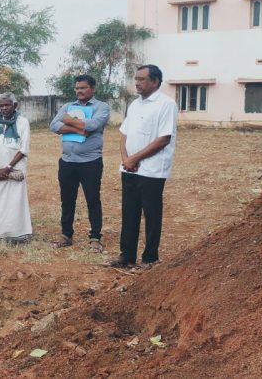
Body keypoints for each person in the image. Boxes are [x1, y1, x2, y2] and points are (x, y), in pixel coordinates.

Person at [111, 65, 178, 269]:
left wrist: (135, 158)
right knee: (129, 212)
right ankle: (127, 255)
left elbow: (163, 139)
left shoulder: (166, 104)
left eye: (141, 79)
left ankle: (150, 257)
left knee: (151, 214)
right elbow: (124, 134)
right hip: (129, 168)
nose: (137, 83)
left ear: (155, 81)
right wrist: (126, 159)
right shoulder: (134, 104)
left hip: (152, 170)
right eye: (136, 79)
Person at [49, 75, 111, 252]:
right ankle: (66, 235)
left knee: (92, 199)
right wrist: (77, 127)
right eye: (77, 88)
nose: (79, 91)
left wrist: (68, 121)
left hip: (90, 162)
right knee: (67, 200)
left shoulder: (102, 107)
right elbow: (54, 126)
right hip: (67, 161)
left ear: (92, 88)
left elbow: (93, 125)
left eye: (83, 88)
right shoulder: (68, 106)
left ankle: (95, 237)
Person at [0, 93, 33, 243]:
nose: (4, 108)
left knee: (14, 203)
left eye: (7, 105)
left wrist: (7, 168)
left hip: (14, 170)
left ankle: (17, 236)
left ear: (15, 105)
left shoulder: (23, 122)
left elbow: (23, 149)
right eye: (1, 105)